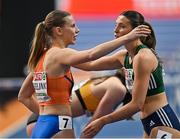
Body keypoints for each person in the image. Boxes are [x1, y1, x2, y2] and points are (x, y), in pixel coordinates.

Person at [18, 10, 150, 138]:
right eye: (73, 26)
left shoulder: (43, 56)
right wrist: (127, 37)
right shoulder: (60, 54)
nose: (77, 30)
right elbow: (91, 55)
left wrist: (44, 116)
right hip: (58, 121)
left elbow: (23, 96)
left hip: (45, 121)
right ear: (59, 31)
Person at [82, 10, 180, 138]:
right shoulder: (124, 56)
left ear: (136, 31)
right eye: (116, 25)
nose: (116, 30)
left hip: (161, 120)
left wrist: (103, 120)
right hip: (148, 122)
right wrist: (62, 57)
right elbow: (89, 64)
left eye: (122, 26)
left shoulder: (143, 57)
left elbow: (137, 104)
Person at [26, 70, 128, 137]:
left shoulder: (107, 79)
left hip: (42, 118)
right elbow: (93, 126)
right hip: (53, 119)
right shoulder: (118, 89)